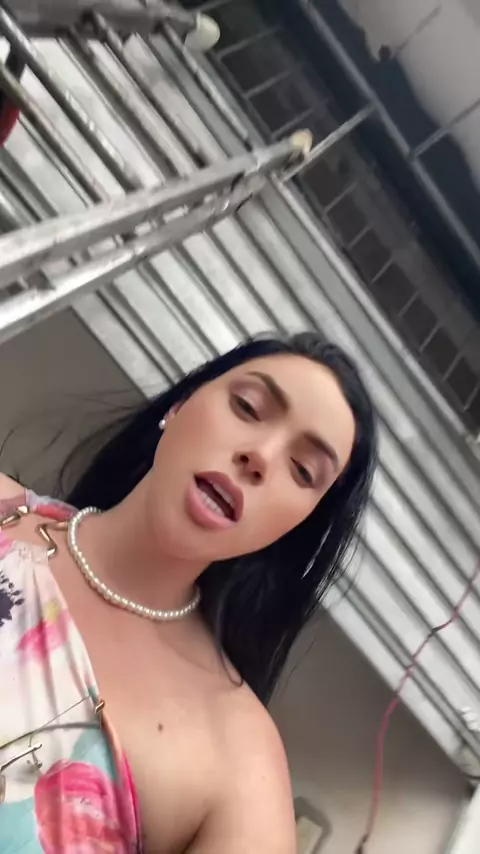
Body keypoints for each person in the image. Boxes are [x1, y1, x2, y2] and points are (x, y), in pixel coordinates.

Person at [0, 331, 376, 853]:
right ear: (178, 407)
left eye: (302, 470)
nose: (260, 457)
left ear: (295, 526)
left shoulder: (241, 766)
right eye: (248, 407)